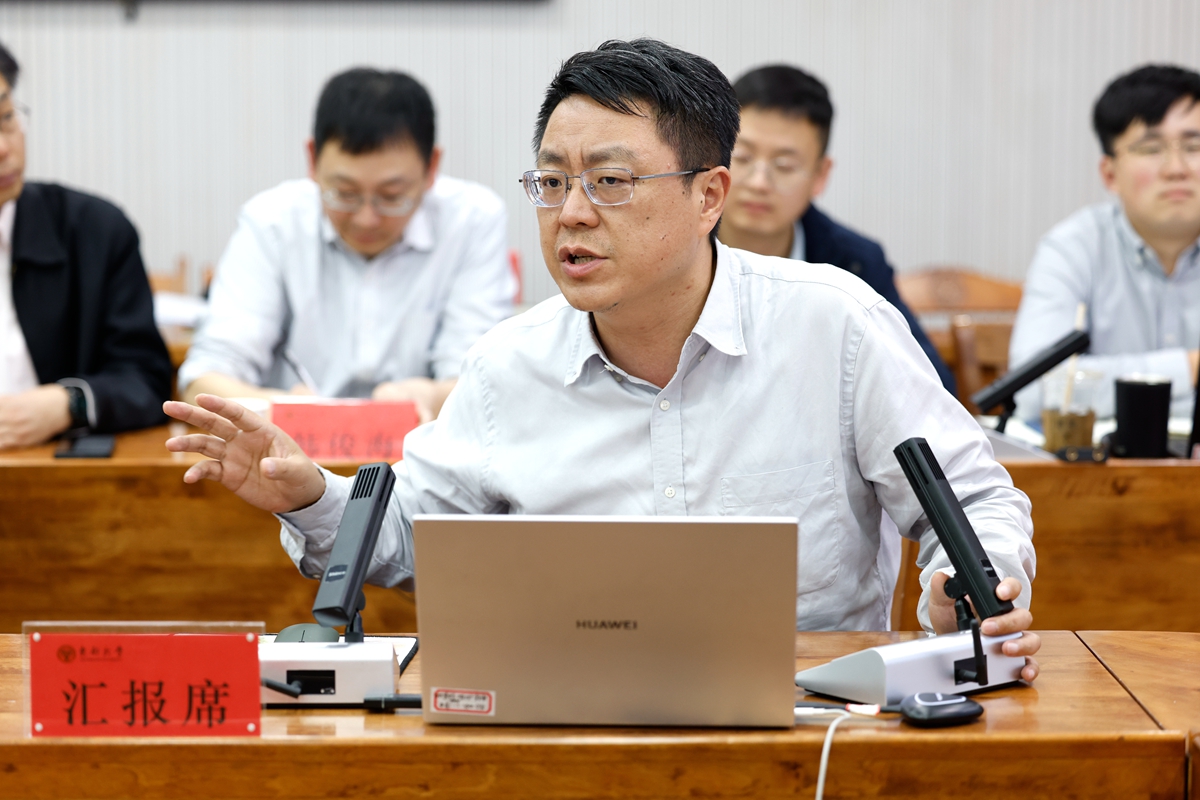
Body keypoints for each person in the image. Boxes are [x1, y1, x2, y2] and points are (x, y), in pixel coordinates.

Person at [165, 40, 1039, 678]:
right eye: (551, 182)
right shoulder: (508, 364)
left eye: (611, 182)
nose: (572, 213)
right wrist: (310, 494)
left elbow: (973, 500)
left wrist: (966, 584)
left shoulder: (834, 325)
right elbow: (412, 540)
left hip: (809, 718)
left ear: (709, 195)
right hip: (569, 717)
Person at [178, 68, 515, 422]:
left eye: (392, 196)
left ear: (432, 167)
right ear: (312, 160)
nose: (366, 218)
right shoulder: (272, 222)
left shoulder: (471, 221)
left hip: (424, 447)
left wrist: (432, 396)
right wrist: (282, 409)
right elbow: (203, 380)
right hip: (290, 448)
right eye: (345, 194)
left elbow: (483, 378)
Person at [719, 64, 955, 394]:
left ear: (820, 175)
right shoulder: (674, 247)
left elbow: (928, 387)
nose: (759, 182)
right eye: (743, 157)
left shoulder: (855, 263)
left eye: (784, 165)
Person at [0, 42, 171, 449]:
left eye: (5, 117)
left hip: (56, 475)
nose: (4, 149)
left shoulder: (95, 231)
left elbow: (146, 379)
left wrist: (69, 402)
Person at [1010, 64, 1200, 420]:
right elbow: (1034, 391)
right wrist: (1189, 369)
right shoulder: (1073, 248)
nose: (1177, 168)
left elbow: (1064, 390)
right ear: (1110, 174)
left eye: (1194, 146)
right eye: (1152, 148)